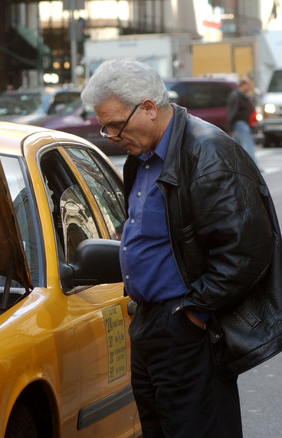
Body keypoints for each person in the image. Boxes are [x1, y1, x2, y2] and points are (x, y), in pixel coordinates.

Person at [81, 58, 282, 438]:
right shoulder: (143, 157)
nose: (109, 135)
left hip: (186, 327)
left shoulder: (207, 153)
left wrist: (194, 312)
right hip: (152, 323)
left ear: (149, 108)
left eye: (114, 125)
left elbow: (246, 250)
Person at [227, 77, 257, 164]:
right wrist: (230, 127)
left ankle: (234, 165)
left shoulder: (242, 96)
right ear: (243, 85)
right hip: (240, 123)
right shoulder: (237, 96)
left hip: (239, 124)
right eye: (248, 85)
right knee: (248, 145)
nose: (249, 88)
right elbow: (232, 112)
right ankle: (253, 166)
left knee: (236, 146)